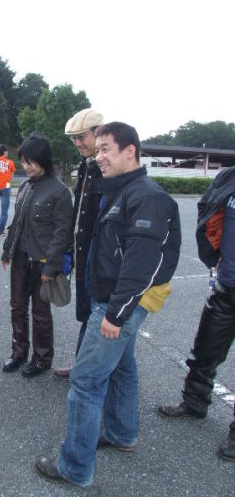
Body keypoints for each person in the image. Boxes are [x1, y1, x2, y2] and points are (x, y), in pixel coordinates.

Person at [35, 122, 181, 487]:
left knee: (85, 382)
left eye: (105, 149)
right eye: (96, 149)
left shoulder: (147, 197)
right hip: (111, 298)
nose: (98, 156)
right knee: (123, 367)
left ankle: (74, 467)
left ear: (130, 151)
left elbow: (140, 266)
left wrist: (115, 314)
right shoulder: (119, 189)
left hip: (119, 304)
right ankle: (121, 434)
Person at [158, 166, 235, 462]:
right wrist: (212, 252)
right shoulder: (228, 177)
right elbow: (207, 207)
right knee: (204, 350)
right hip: (227, 283)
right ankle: (194, 402)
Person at [1, 132, 73, 377]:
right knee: (17, 307)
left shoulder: (60, 191)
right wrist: (7, 252)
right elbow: (17, 223)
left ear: (44, 159)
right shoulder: (25, 186)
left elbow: (62, 234)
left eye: (31, 162)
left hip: (43, 262)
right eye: (23, 161)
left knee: (41, 313)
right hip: (21, 258)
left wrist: (51, 267)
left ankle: (42, 359)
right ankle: (18, 352)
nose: (26, 167)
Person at [54, 108, 104, 380]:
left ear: (99, 133)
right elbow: (78, 214)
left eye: (81, 137)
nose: (76, 143)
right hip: (83, 255)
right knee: (87, 314)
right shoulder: (86, 165)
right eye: (73, 138)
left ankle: (90, 373)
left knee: (98, 317)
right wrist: (69, 250)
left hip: (100, 259)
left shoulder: (106, 168)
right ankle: (83, 367)